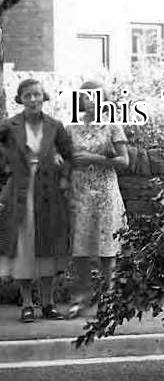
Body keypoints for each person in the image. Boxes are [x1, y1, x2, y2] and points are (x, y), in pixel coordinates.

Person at [0, 79, 73, 322]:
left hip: (49, 192)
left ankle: (48, 303)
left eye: (37, 94)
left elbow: (70, 156)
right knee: (25, 246)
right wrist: (6, 161)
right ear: (20, 99)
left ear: (44, 97)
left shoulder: (55, 125)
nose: (33, 99)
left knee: (47, 247)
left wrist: (64, 176)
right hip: (20, 192)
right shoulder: (9, 125)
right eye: (28, 95)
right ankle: (27, 304)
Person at [66, 80, 130, 319]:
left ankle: (108, 300)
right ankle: (79, 300)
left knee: (107, 250)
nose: (91, 101)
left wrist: (95, 158)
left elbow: (124, 161)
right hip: (80, 193)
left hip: (105, 193)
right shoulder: (71, 127)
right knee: (80, 250)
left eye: (96, 96)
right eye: (86, 96)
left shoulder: (112, 125)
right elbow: (64, 159)